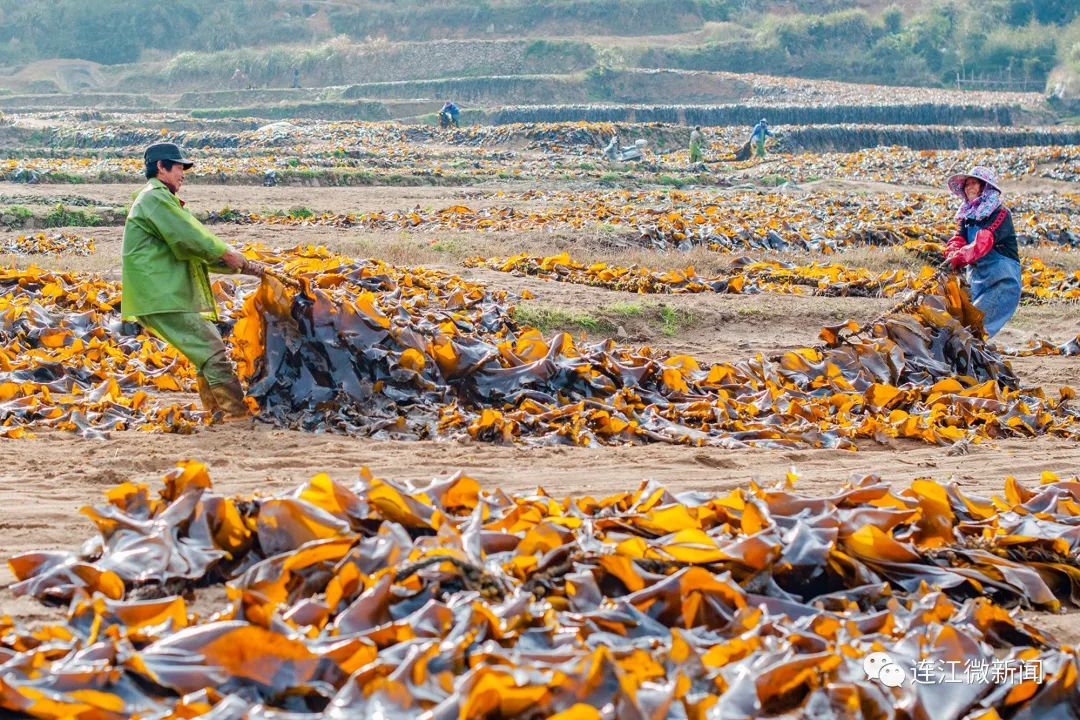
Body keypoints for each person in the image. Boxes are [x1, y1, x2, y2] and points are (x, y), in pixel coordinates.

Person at [121, 143, 267, 417]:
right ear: (161, 167)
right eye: (178, 167)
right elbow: (191, 238)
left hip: (166, 293)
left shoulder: (161, 199)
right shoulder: (154, 198)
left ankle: (217, 414)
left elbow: (194, 248)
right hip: (161, 293)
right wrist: (227, 253)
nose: (183, 174)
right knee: (212, 350)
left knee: (206, 351)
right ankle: (236, 415)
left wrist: (241, 266)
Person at [943, 166, 1021, 338]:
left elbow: (983, 241)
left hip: (1002, 279)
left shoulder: (1000, 213)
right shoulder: (967, 215)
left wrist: (960, 257)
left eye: (974, 183)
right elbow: (959, 237)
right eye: (967, 184)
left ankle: (968, 360)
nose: (969, 187)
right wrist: (952, 252)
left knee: (976, 327)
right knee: (969, 325)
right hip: (978, 279)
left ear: (985, 187)